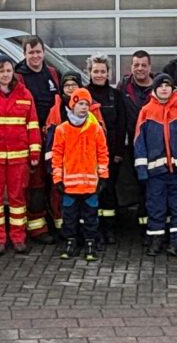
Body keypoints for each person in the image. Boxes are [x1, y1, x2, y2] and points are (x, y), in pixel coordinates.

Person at [0, 55, 42, 255]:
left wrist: (35, 151)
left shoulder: (25, 94)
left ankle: (18, 238)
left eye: (8, 70)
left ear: (13, 73)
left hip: (19, 157)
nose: (5, 74)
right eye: (1, 70)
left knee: (17, 198)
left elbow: (33, 125)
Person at [133, 73, 177, 255]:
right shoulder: (146, 111)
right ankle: (156, 240)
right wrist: (142, 170)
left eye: (167, 85)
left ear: (172, 89)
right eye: (160, 86)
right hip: (155, 173)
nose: (164, 89)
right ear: (154, 89)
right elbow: (139, 141)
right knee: (155, 206)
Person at [49, 86, 109, 260]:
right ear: (72, 105)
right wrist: (57, 179)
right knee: (69, 216)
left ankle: (90, 242)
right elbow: (57, 156)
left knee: (91, 215)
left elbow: (102, 154)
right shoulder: (62, 129)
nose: (83, 107)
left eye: (86, 104)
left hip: (91, 184)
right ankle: (71, 242)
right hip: (69, 185)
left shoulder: (95, 129)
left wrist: (103, 176)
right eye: (80, 103)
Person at [14, 36, 61, 239]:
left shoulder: (52, 74)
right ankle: (37, 227)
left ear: (44, 52)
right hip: (30, 137)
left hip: (54, 137)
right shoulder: (19, 77)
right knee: (35, 183)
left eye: (38, 52)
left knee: (55, 180)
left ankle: (56, 223)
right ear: (24, 54)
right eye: (31, 52)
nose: (35, 56)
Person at [82, 56, 130, 239]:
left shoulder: (116, 95)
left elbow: (121, 124)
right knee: (91, 192)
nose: (99, 74)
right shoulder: (83, 94)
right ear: (89, 72)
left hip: (110, 153)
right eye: (96, 71)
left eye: (103, 71)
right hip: (87, 154)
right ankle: (94, 229)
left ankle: (109, 229)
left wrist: (118, 152)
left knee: (108, 191)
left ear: (108, 73)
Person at [112, 51, 158, 243]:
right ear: (131, 67)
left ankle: (149, 227)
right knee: (134, 186)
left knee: (151, 188)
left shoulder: (159, 88)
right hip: (131, 146)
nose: (139, 68)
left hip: (155, 149)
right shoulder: (123, 87)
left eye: (143, 65)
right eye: (136, 65)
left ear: (150, 67)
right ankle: (138, 225)